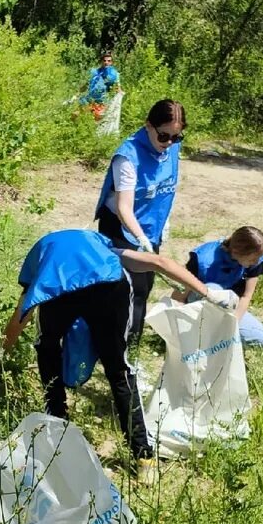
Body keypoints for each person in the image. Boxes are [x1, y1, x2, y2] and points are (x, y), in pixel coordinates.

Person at [2, 229, 235, 480]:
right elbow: (160, 263)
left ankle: (58, 430)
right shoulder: (105, 249)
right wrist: (210, 294)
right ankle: (144, 457)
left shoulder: (43, 258)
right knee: (119, 370)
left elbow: (24, 309)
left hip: (64, 293)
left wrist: (1, 354)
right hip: (110, 288)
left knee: (47, 348)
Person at [94, 99, 186, 344]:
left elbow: (166, 189)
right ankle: (123, 356)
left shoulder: (172, 148)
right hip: (123, 229)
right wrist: (141, 240)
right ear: (148, 125)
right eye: (164, 136)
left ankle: (126, 348)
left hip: (151, 229)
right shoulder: (127, 156)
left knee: (145, 288)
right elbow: (124, 208)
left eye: (176, 137)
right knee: (131, 293)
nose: (168, 144)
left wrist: (160, 227)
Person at [173, 226, 263, 348]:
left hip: (229, 308)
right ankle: (200, 335)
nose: (257, 262)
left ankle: (216, 339)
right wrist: (174, 325)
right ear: (236, 252)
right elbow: (179, 296)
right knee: (214, 289)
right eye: (253, 259)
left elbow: (246, 297)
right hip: (199, 305)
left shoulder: (256, 260)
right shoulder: (202, 259)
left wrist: (232, 325)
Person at [78, 51, 121, 118]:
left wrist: (119, 94)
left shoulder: (114, 74)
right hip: (90, 99)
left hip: (101, 101)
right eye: (104, 61)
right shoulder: (95, 72)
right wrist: (77, 93)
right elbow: (87, 85)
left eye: (109, 61)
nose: (106, 62)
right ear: (101, 62)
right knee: (76, 114)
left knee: (97, 118)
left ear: (111, 63)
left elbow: (117, 88)